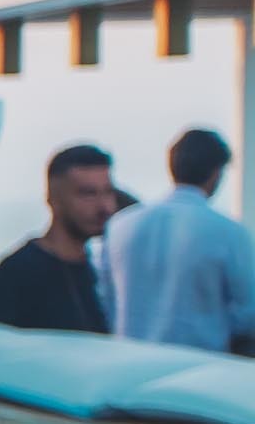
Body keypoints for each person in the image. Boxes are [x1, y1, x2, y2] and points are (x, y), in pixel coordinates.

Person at [103, 128, 255, 355]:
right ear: (216, 173)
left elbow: (107, 301)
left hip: (132, 361)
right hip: (199, 364)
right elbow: (248, 313)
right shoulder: (229, 232)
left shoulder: (120, 225)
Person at [0, 144, 116, 333]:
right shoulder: (20, 273)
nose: (104, 206)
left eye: (108, 192)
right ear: (54, 198)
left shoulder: (96, 270)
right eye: (87, 194)